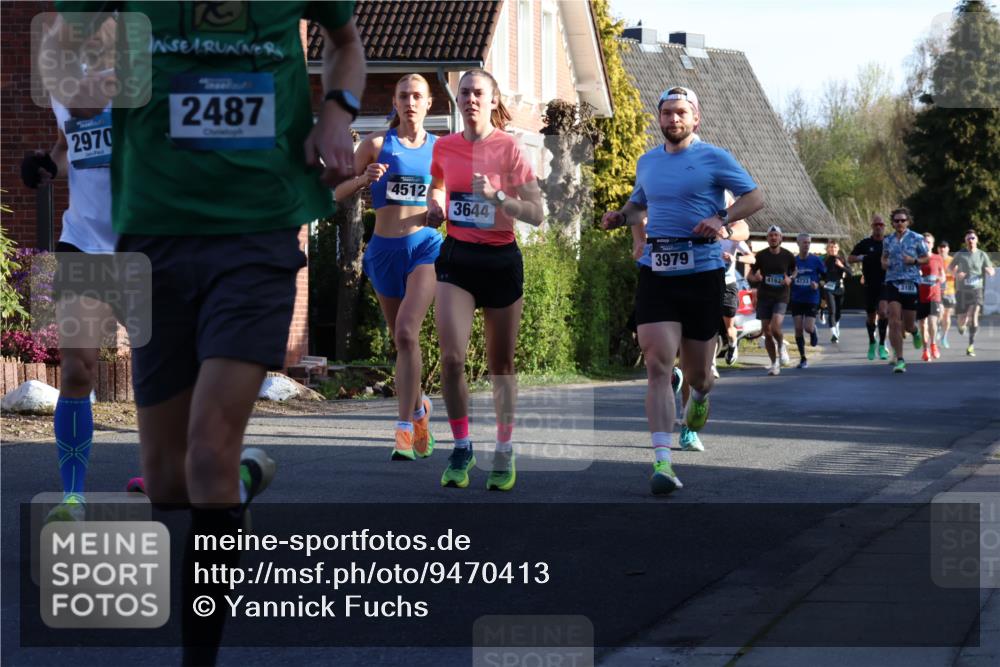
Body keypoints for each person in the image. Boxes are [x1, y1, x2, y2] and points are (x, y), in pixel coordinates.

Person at [46, 3, 365, 664]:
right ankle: (240, 483)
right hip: (155, 231)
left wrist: (337, 108)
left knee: (208, 451)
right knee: (166, 479)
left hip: (258, 228)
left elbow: (346, 39)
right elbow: (67, 67)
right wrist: (83, 81)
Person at [602, 85, 762, 495]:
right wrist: (621, 217)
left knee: (697, 375)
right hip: (656, 268)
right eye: (666, 113)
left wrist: (720, 218)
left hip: (702, 272)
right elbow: (640, 205)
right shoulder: (648, 162)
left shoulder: (714, 157)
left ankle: (702, 394)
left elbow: (755, 197)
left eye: (680, 113)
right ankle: (662, 462)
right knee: (656, 365)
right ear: (659, 118)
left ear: (695, 118)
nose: (673, 119)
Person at [426, 69, 544, 491]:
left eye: (479, 93)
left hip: (500, 259)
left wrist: (497, 196)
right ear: (457, 100)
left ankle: (504, 447)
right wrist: (435, 205)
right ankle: (461, 446)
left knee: (501, 366)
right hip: (458, 257)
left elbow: (536, 212)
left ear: (493, 101)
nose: (471, 99)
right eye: (465, 92)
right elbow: (437, 185)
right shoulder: (444, 146)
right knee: (452, 358)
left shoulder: (510, 149)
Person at [21, 16, 118, 523]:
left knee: (162, 376)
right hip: (82, 239)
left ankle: (182, 474)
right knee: (78, 367)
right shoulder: (64, 75)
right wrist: (47, 164)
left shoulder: (138, 70)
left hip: (146, 242)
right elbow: (69, 144)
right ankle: (74, 496)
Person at [334, 74, 440, 461]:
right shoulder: (376, 145)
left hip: (424, 247)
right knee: (400, 339)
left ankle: (403, 432)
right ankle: (419, 409)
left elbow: (441, 195)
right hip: (382, 250)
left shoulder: (440, 150)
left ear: (430, 103)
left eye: (417, 96)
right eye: (403, 96)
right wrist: (364, 179)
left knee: (409, 333)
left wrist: (438, 209)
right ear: (394, 103)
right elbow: (337, 190)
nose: (410, 102)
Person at [880, 207, 928, 373]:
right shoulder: (888, 240)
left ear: (908, 222)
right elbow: (884, 257)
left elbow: (926, 258)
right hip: (893, 281)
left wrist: (914, 261)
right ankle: (900, 358)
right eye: (897, 220)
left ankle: (914, 332)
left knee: (908, 324)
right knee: (893, 320)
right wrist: (884, 263)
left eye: (903, 220)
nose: (900, 223)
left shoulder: (917, 238)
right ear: (893, 223)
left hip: (911, 282)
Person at [749, 226, 796, 376]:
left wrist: (790, 278)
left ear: (781, 238)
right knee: (767, 332)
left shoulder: (788, 255)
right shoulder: (761, 256)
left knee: (775, 326)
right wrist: (754, 278)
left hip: (781, 296)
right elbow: (750, 275)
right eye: (771, 235)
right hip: (765, 296)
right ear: (767, 238)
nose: (773, 238)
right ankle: (774, 364)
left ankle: (781, 346)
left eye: (776, 235)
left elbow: (795, 270)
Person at [849, 215, 890, 360]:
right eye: (876, 224)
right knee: (871, 317)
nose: (878, 226)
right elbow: (850, 258)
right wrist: (863, 257)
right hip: (869, 285)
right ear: (872, 226)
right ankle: (872, 342)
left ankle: (882, 345)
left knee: (884, 312)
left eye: (881, 224)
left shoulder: (889, 241)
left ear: (884, 226)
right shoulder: (865, 243)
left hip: (885, 283)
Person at [951, 230, 996, 357]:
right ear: (965, 241)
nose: (971, 240)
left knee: (974, 314)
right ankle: (961, 326)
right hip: (962, 290)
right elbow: (950, 268)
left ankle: (971, 345)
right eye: (968, 239)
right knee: (962, 319)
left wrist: (990, 271)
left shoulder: (982, 255)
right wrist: (956, 274)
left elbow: (991, 269)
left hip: (977, 289)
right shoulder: (960, 254)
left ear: (977, 240)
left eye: (973, 238)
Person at [789, 233, 826, 369]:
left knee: (807, 327)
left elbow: (825, 277)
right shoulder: (793, 261)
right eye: (804, 242)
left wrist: (818, 283)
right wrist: (792, 278)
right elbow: (787, 277)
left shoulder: (816, 260)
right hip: (797, 298)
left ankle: (813, 331)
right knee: (798, 329)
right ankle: (803, 358)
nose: (807, 245)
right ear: (798, 244)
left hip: (811, 298)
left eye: (809, 242)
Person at [718, 233, 754, 368]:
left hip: (728, 285)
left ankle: (732, 344)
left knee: (728, 328)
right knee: (711, 326)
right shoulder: (706, 237)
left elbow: (752, 259)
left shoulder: (733, 239)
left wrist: (735, 257)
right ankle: (711, 365)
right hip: (710, 285)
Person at [917, 232, 945, 361]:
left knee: (932, 323)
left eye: (928, 242)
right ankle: (925, 349)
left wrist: (938, 278)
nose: (926, 244)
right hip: (921, 296)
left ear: (932, 244)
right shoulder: (917, 258)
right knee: (922, 324)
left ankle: (933, 344)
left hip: (934, 295)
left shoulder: (938, 258)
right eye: (924, 242)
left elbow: (943, 276)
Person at [821, 240, 851, 343]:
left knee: (838, 313)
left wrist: (841, 266)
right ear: (827, 249)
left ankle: (836, 327)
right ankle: (834, 334)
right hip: (828, 288)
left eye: (834, 247)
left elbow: (850, 273)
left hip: (840, 288)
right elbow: (820, 273)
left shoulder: (842, 259)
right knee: (832, 311)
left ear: (838, 249)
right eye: (830, 247)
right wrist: (821, 280)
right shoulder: (824, 260)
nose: (832, 249)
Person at [938, 240, 957, 348]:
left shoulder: (952, 260)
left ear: (948, 249)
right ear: (938, 249)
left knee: (946, 315)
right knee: (939, 313)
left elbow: (956, 274)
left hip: (949, 291)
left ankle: (944, 337)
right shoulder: (935, 259)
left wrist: (950, 272)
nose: (942, 248)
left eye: (944, 247)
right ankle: (938, 329)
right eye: (941, 247)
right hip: (937, 292)